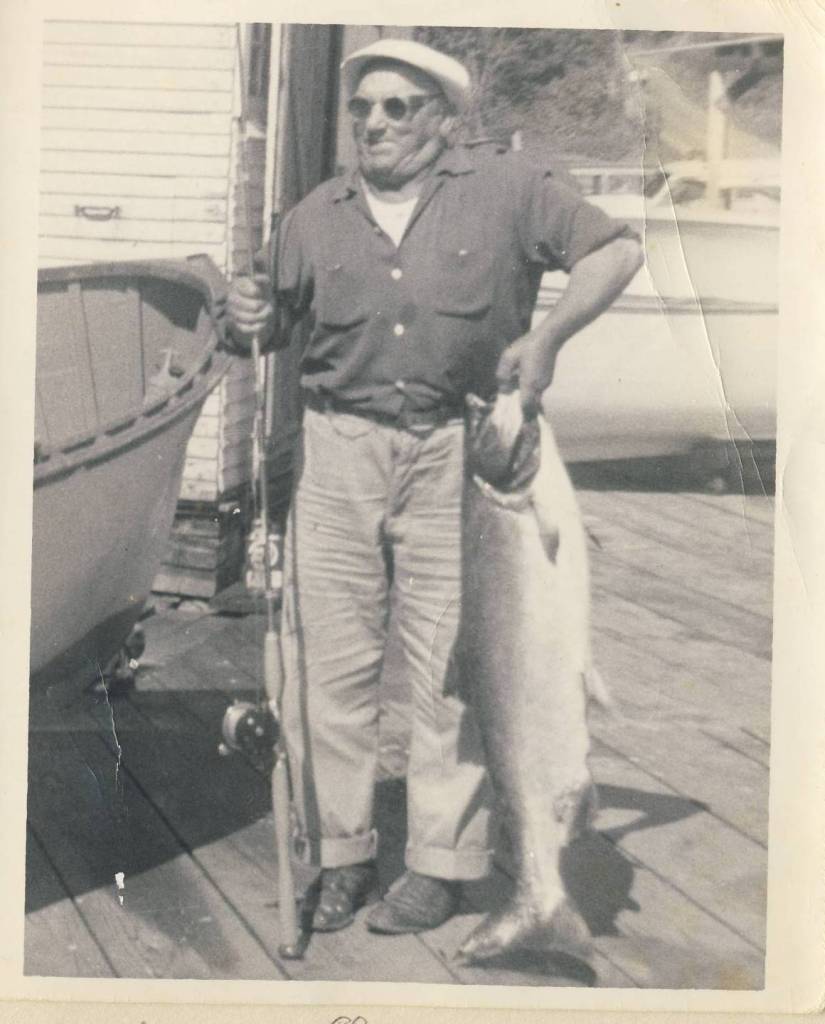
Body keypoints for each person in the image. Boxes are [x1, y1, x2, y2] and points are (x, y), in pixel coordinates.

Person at [225, 38, 643, 936]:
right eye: (362, 108)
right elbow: (263, 329)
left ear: (446, 120)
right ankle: (339, 856)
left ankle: (440, 863)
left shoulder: (511, 189)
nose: (374, 123)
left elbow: (615, 254)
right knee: (325, 665)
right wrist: (246, 316)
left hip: (465, 459)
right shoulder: (311, 216)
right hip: (337, 451)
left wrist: (548, 340)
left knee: (453, 665)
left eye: (397, 107)